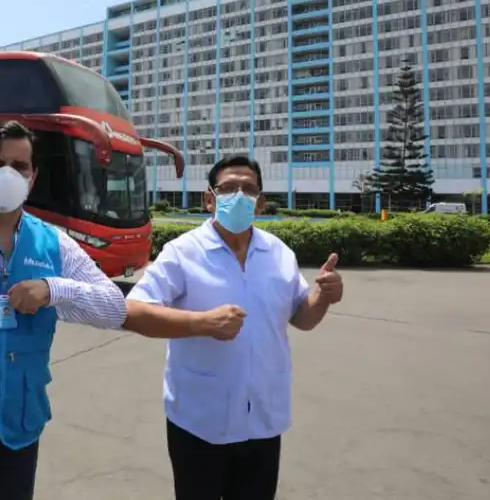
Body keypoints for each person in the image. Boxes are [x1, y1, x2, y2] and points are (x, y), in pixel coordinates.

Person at [0, 121, 245, 500]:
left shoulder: (53, 243)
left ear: (32, 177)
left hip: (15, 442)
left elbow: (114, 307)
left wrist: (53, 289)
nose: (8, 174)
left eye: (19, 166)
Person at [126, 154, 345, 500]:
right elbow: (134, 311)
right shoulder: (182, 253)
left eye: (248, 189)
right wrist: (201, 323)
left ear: (261, 201)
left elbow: (303, 317)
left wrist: (324, 296)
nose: (239, 196)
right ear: (209, 199)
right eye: (228, 188)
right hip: (200, 421)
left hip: (263, 420)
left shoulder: (279, 254)